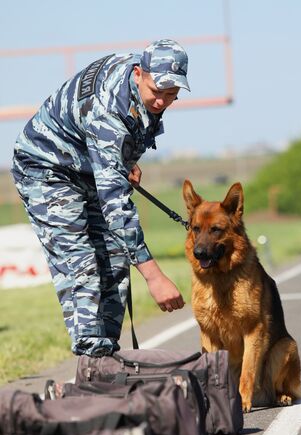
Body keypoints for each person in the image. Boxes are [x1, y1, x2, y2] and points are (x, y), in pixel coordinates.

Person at [11, 38, 190, 357]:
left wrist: (124, 160)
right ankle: (93, 362)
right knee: (82, 264)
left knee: (115, 257)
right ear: (139, 74)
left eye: (171, 96)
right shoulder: (107, 109)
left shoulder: (142, 76)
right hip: (46, 168)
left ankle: (105, 360)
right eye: (157, 92)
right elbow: (115, 205)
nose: (162, 102)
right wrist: (155, 276)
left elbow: (120, 139)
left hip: (86, 166)